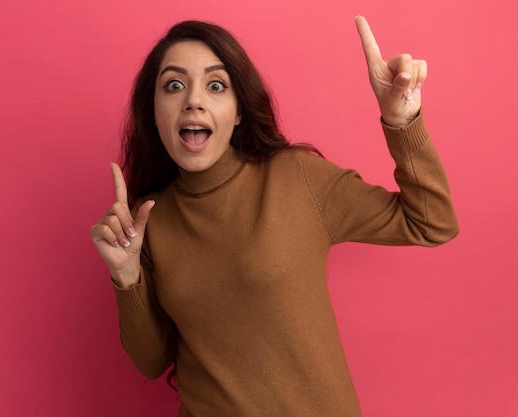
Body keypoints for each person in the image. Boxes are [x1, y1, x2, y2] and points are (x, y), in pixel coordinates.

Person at [90, 16, 459, 417]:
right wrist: (126, 277)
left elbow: (431, 221)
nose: (193, 100)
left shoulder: (295, 177)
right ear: (154, 111)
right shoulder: (147, 221)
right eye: (174, 85)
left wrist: (402, 120)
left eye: (216, 86)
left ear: (238, 113)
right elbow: (151, 361)